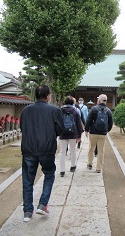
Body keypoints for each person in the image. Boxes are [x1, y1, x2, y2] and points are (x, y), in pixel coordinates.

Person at [20, 85, 64, 223]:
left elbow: (22, 127)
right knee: (49, 174)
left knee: (27, 180)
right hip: (47, 149)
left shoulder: (26, 110)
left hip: (29, 149)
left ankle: (27, 211)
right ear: (48, 96)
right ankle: (42, 204)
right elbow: (60, 129)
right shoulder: (54, 110)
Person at [85, 94, 113, 173]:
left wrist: (86, 130)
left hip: (93, 132)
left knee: (91, 148)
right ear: (106, 101)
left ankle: (90, 164)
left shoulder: (93, 109)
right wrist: (106, 130)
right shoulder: (108, 111)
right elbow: (110, 124)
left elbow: (88, 120)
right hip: (102, 134)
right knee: (101, 150)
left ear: (99, 101)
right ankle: (98, 168)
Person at [59, 96, 83, 177]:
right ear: (73, 103)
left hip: (63, 133)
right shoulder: (75, 111)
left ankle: (62, 170)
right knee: (73, 150)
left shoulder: (60, 111)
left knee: (62, 152)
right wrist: (79, 135)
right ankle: (72, 166)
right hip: (73, 133)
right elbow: (79, 124)